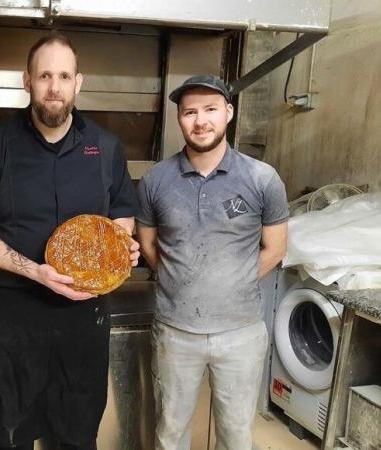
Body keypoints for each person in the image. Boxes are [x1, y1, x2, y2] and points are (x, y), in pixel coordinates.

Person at [0, 33, 140, 450]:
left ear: (78, 83)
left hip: (84, 321)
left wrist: (118, 249)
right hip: (14, 317)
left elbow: (122, 214)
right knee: (10, 437)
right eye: (45, 75)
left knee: (76, 435)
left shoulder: (105, 147)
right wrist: (35, 271)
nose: (54, 86)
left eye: (64, 76)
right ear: (27, 80)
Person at [136, 75, 289, 450]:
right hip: (175, 332)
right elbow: (148, 243)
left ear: (229, 113)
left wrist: (232, 280)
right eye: (190, 112)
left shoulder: (261, 178)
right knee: (170, 432)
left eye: (210, 110)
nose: (200, 121)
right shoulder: (155, 180)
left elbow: (275, 248)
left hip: (240, 334)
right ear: (179, 119)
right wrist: (179, 277)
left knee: (235, 436)